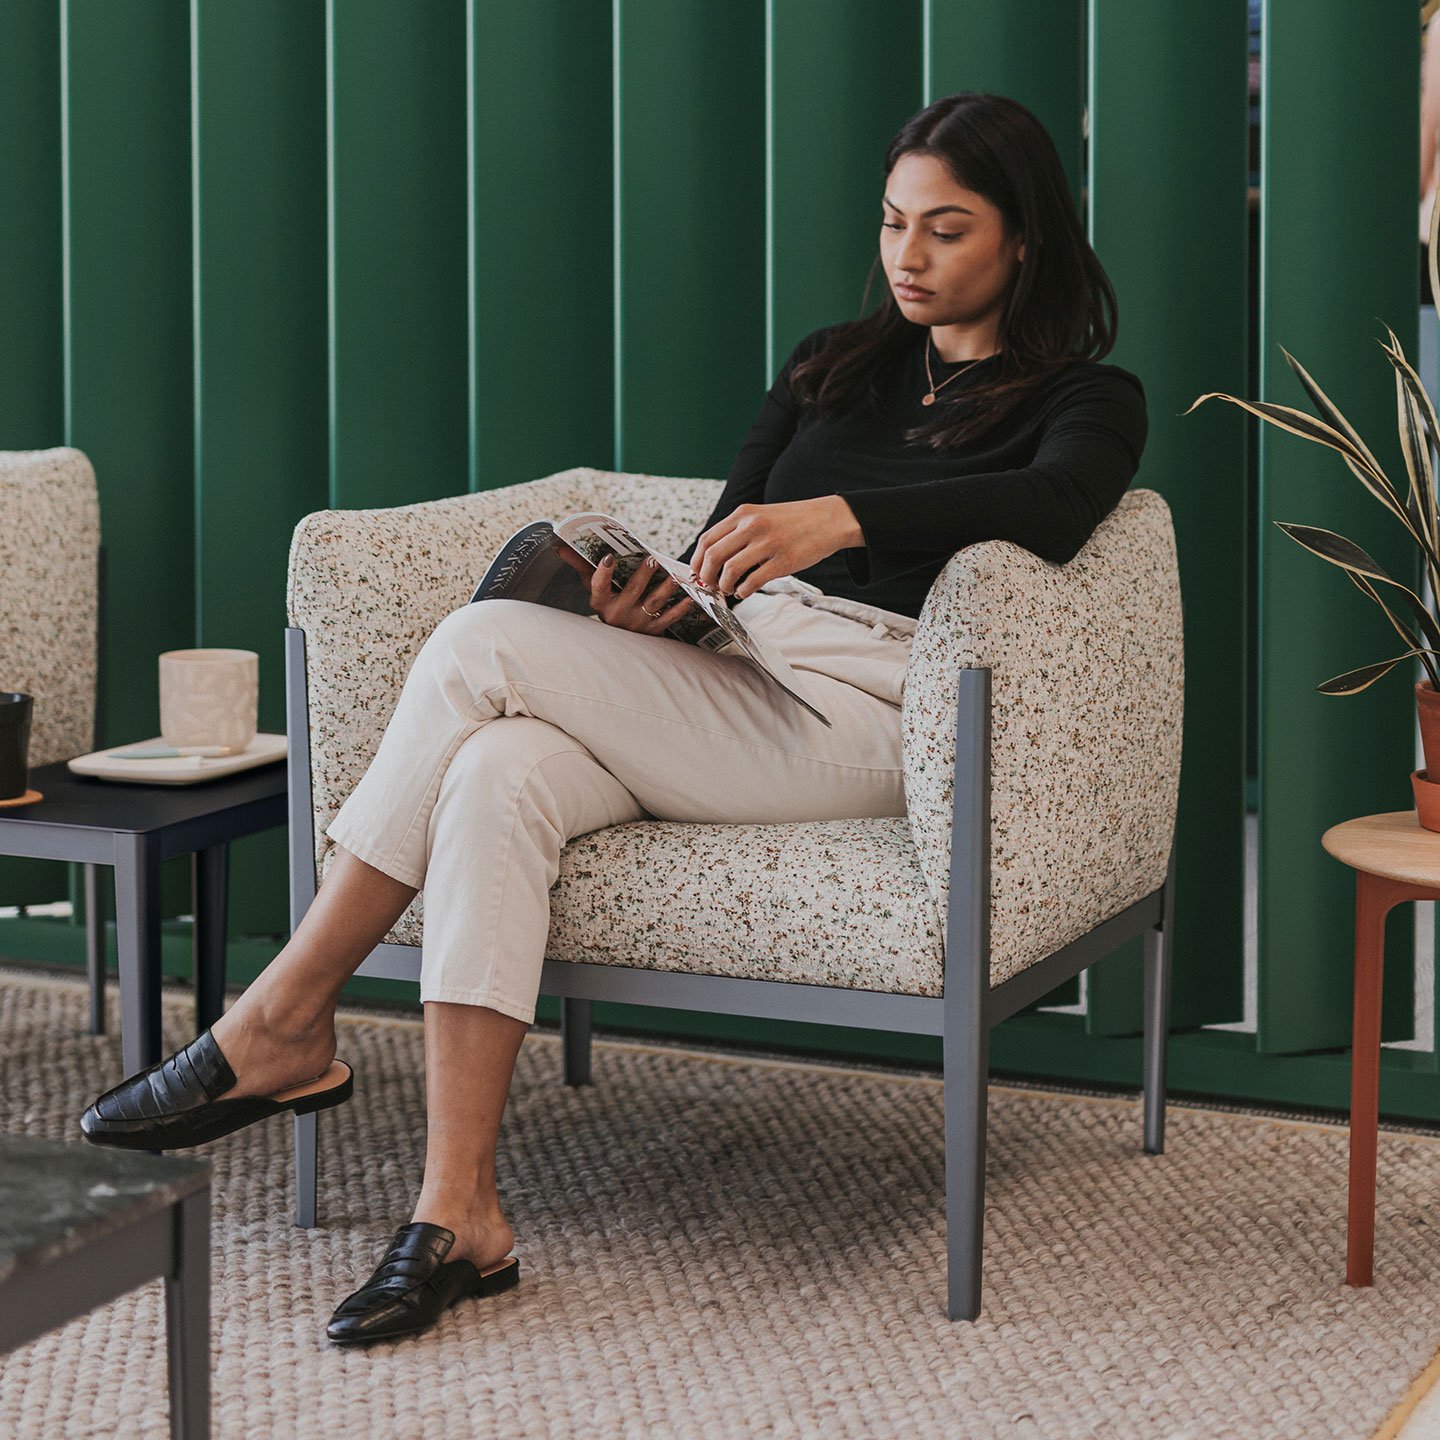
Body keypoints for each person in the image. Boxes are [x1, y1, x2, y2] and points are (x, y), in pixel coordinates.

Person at [76, 90, 1147, 1347]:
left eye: (946, 230)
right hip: (733, 674)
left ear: (1024, 239)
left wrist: (842, 519)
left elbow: (1059, 506)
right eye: (893, 222)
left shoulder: (1086, 397)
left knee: (480, 647)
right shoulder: (830, 365)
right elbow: (723, 536)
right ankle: (458, 1211)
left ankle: (286, 1011)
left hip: (869, 715)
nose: (906, 258)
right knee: (496, 773)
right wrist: (657, 612)